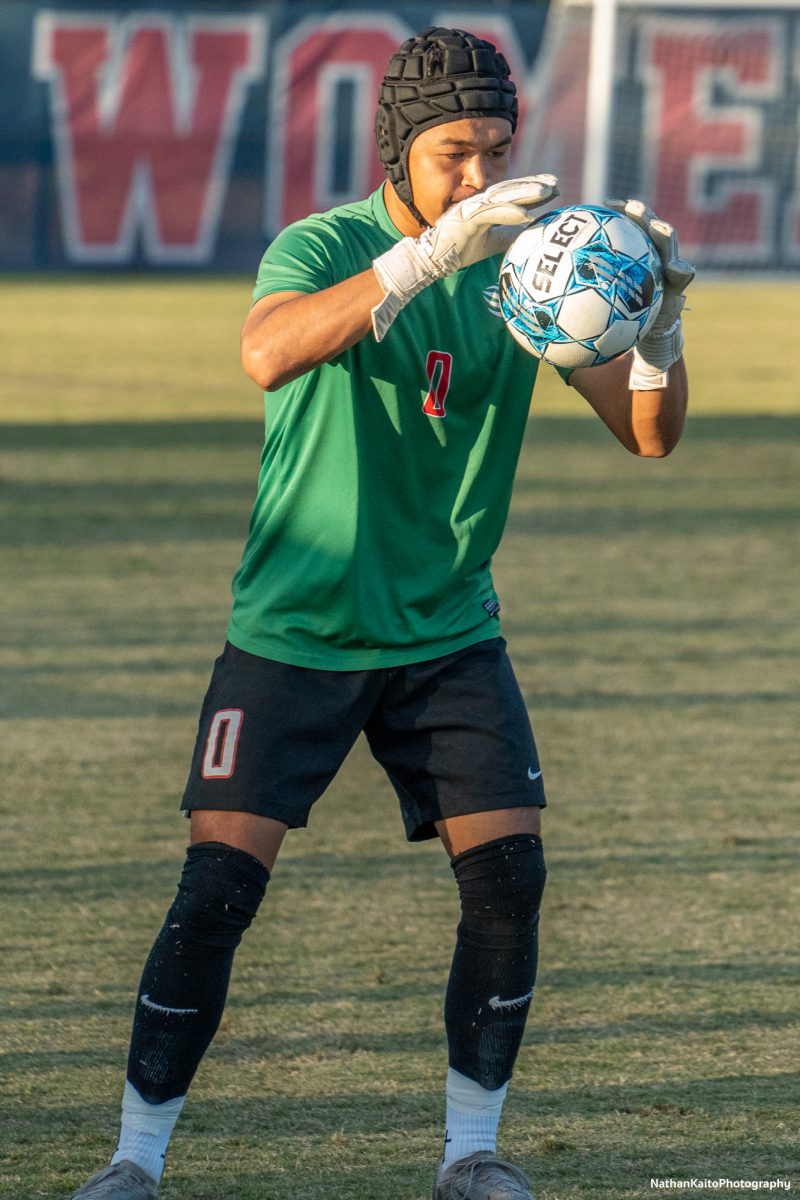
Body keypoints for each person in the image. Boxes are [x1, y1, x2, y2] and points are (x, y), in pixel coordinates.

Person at [69, 26, 693, 1200]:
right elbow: (265, 354)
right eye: (454, 152)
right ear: (399, 152)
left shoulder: (523, 274)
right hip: (293, 635)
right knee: (215, 894)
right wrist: (417, 262)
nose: (477, 177)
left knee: (508, 883)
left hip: (449, 633)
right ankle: (132, 1163)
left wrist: (655, 333)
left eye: (495, 151)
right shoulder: (326, 244)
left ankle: (471, 1154)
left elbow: (647, 434)